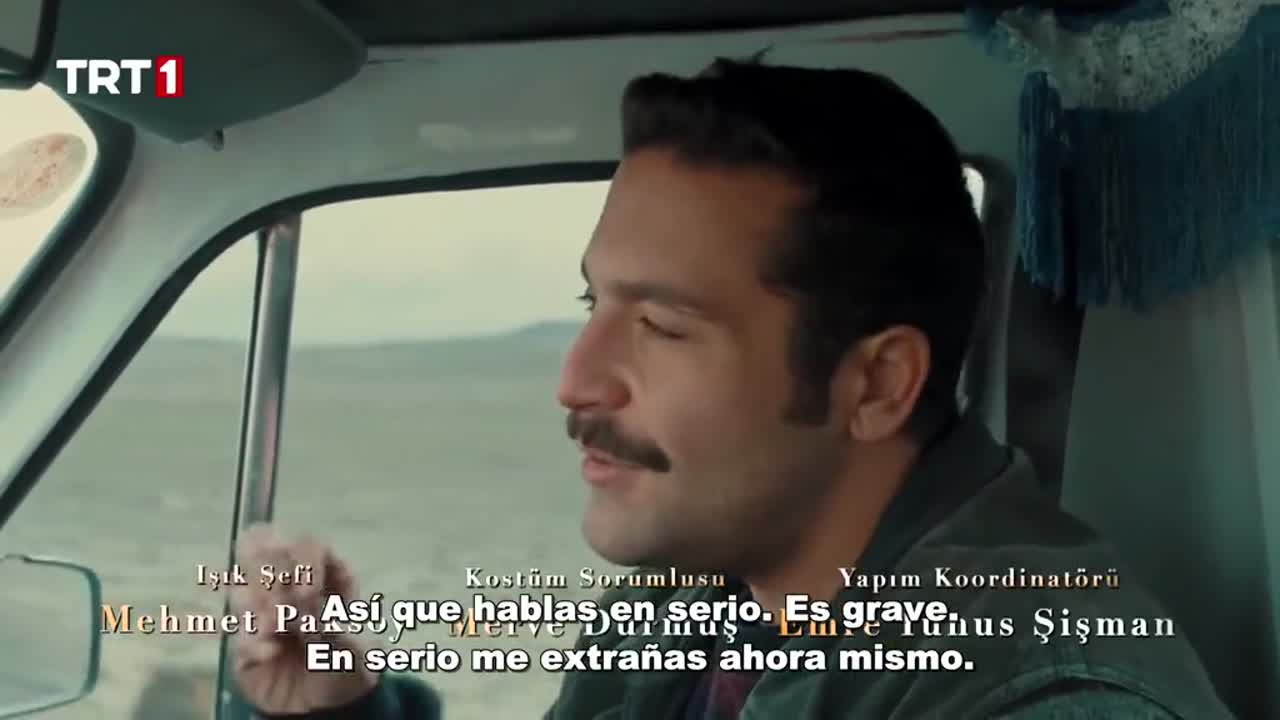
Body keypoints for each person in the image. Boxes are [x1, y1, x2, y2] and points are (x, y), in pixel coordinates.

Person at [229, 59, 1234, 719]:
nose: (574, 382)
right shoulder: (692, 596)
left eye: (662, 327)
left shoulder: (1039, 699)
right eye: (591, 303)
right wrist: (343, 708)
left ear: (876, 383)